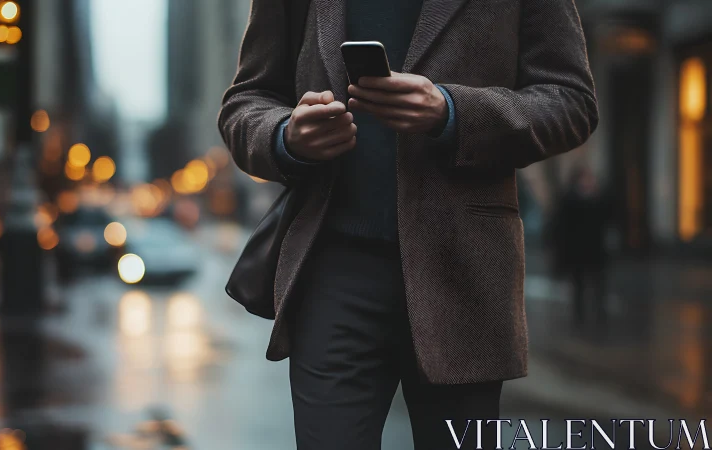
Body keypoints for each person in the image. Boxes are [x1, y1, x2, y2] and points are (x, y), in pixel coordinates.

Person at [218, 0, 599, 448]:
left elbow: (571, 100)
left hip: (465, 278)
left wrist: (452, 112)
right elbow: (246, 101)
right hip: (332, 273)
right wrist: (286, 135)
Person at [552, 165, 610, 330]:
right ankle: (579, 316)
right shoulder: (570, 200)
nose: (589, 182)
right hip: (577, 250)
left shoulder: (599, 198)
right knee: (579, 285)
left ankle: (599, 314)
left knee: (599, 284)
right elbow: (562, 227)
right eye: (585, 179)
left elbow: (608, 217)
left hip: (596, 250)